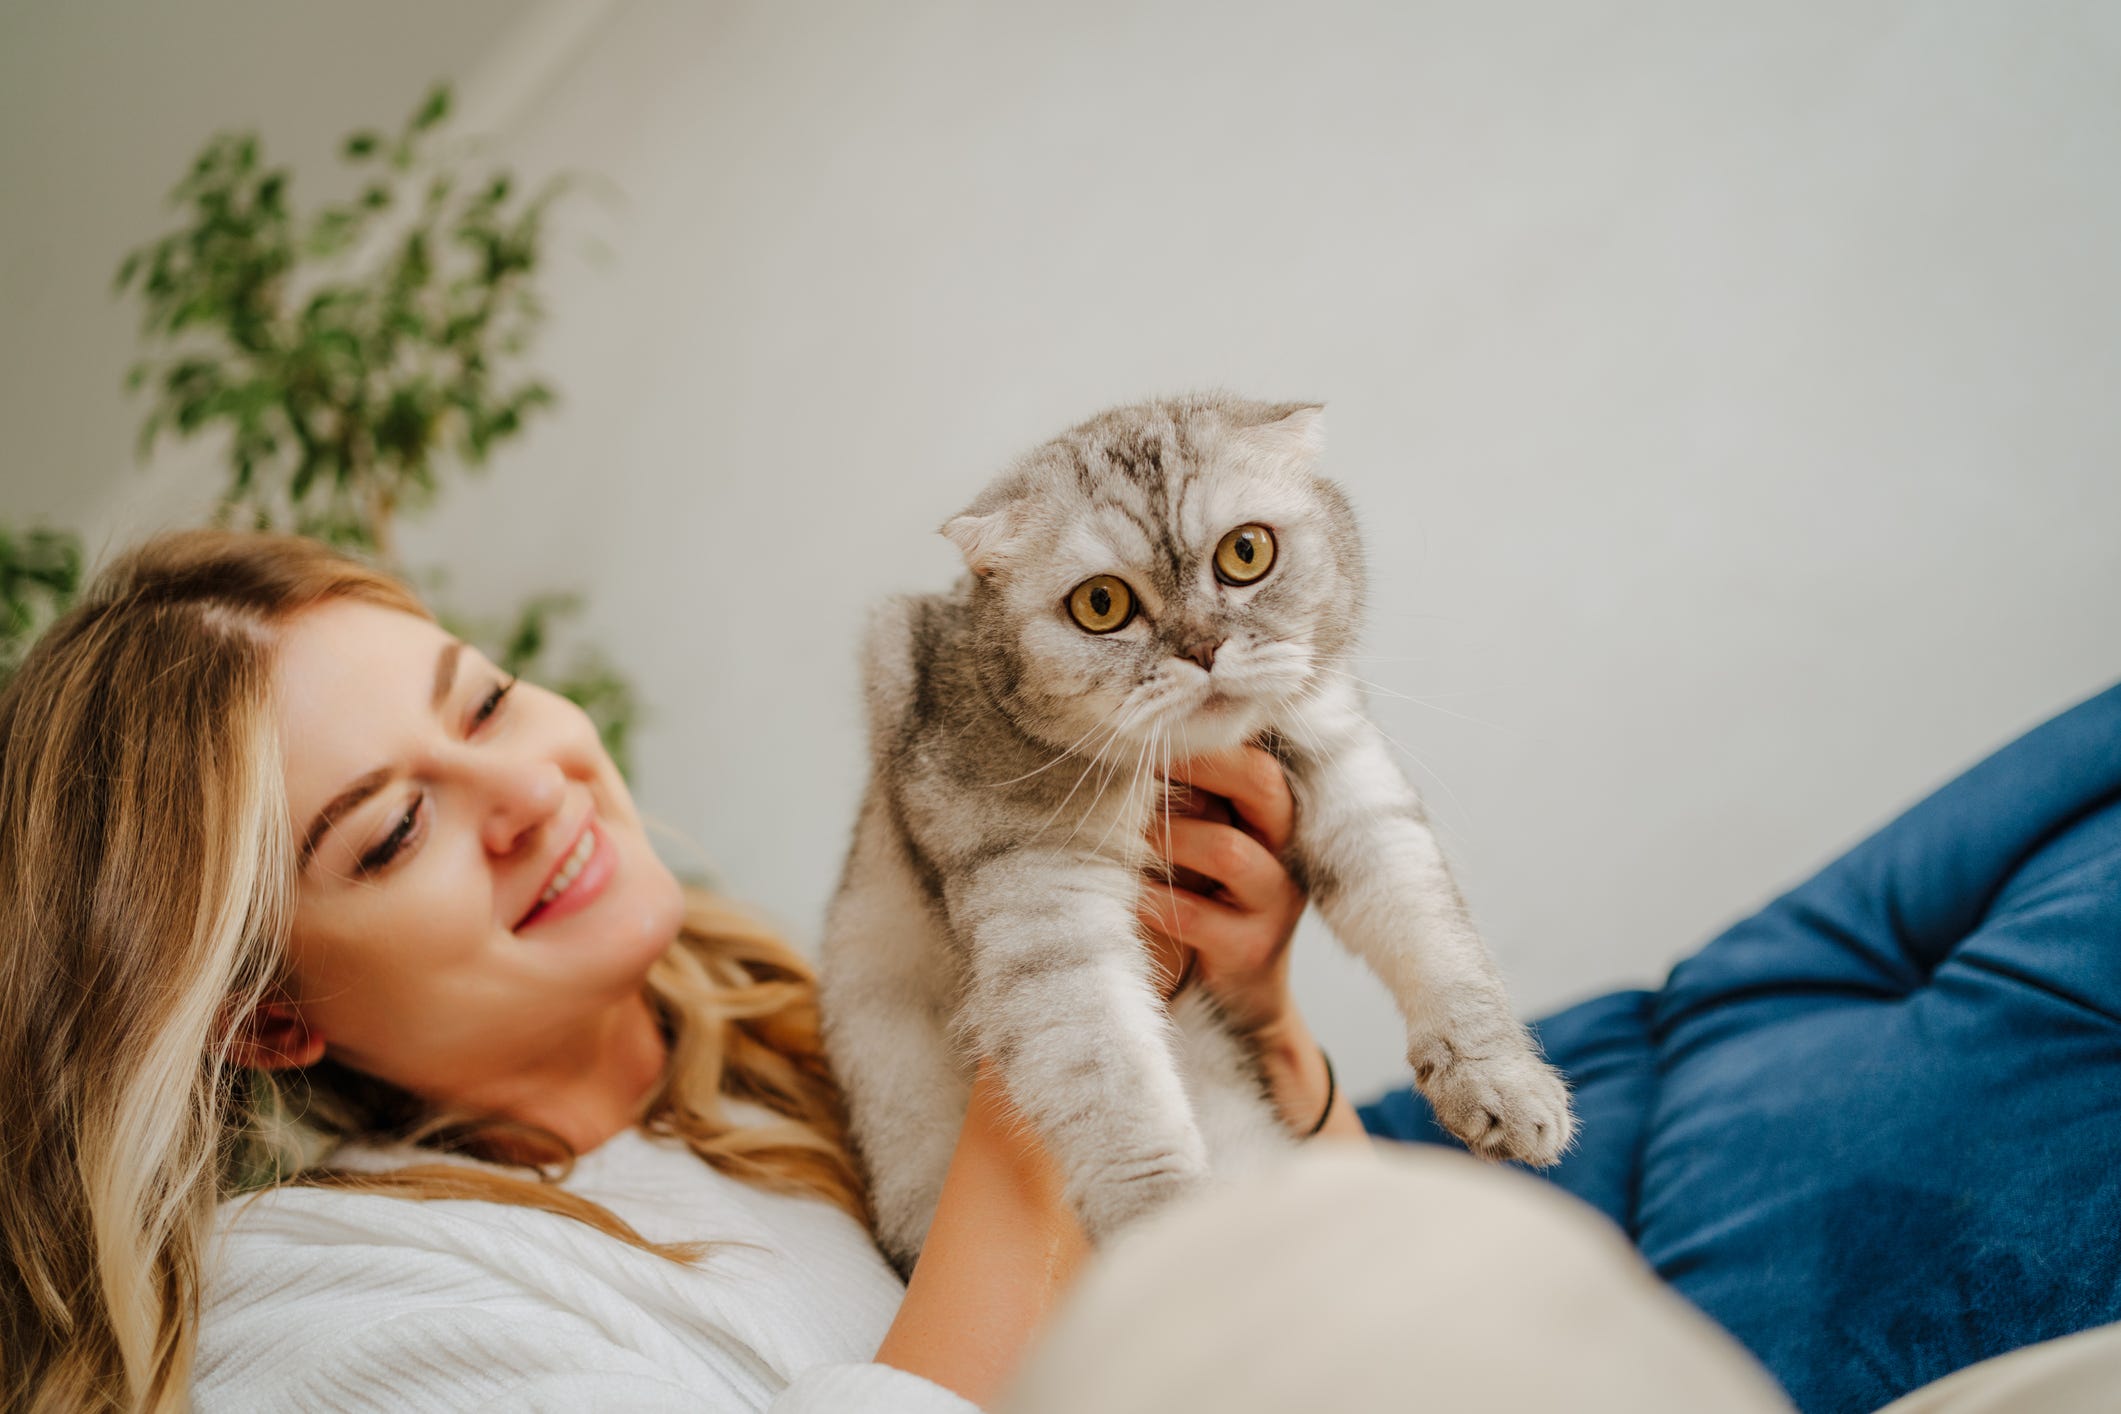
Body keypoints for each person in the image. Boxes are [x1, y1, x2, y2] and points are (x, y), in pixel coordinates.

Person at [0, 527, 1361, 1412]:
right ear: (271, 1019)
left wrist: (1251, 1026)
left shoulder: (815, 1025)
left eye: (482, 701)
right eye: (396, 829)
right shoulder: (303, 1314)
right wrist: (1057, 1043)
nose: (527, 786)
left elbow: (1361, 1269)